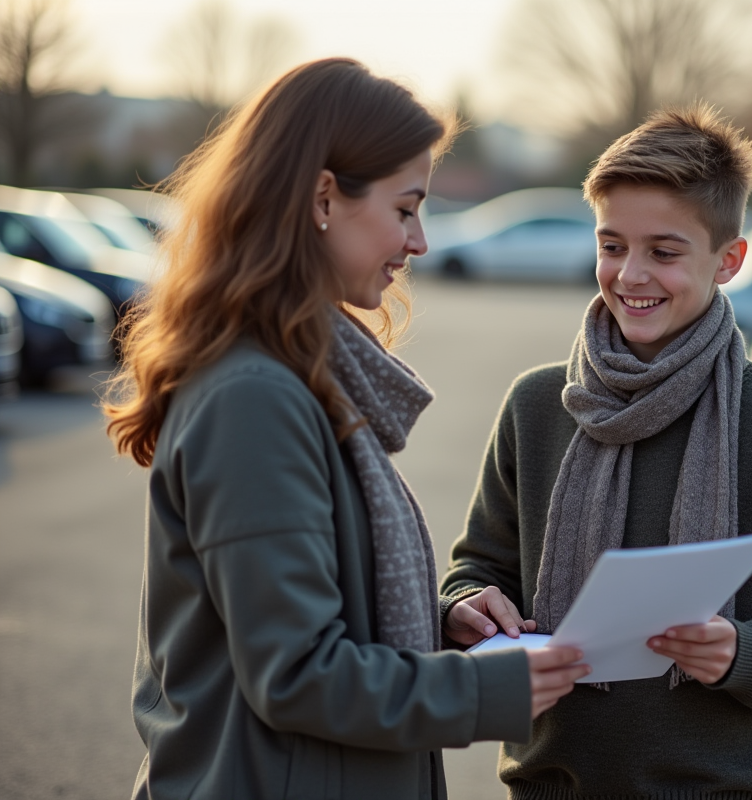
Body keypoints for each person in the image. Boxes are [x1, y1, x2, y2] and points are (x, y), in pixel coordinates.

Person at [102, 58, 589, 800]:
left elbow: (298, 604)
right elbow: (296, 674)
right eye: (404, 208)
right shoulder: (252, 398)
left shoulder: (290, 375)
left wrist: (441, 624)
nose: (420, 241)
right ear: (324, 197)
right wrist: (483, 689)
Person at [440, 105, 752, 799]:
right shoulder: (535, 406)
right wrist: (463, 606)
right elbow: (476, 569)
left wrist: (742, 652)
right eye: (612, 246)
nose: (630, 275)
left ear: (729, 260)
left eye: (664, 253)